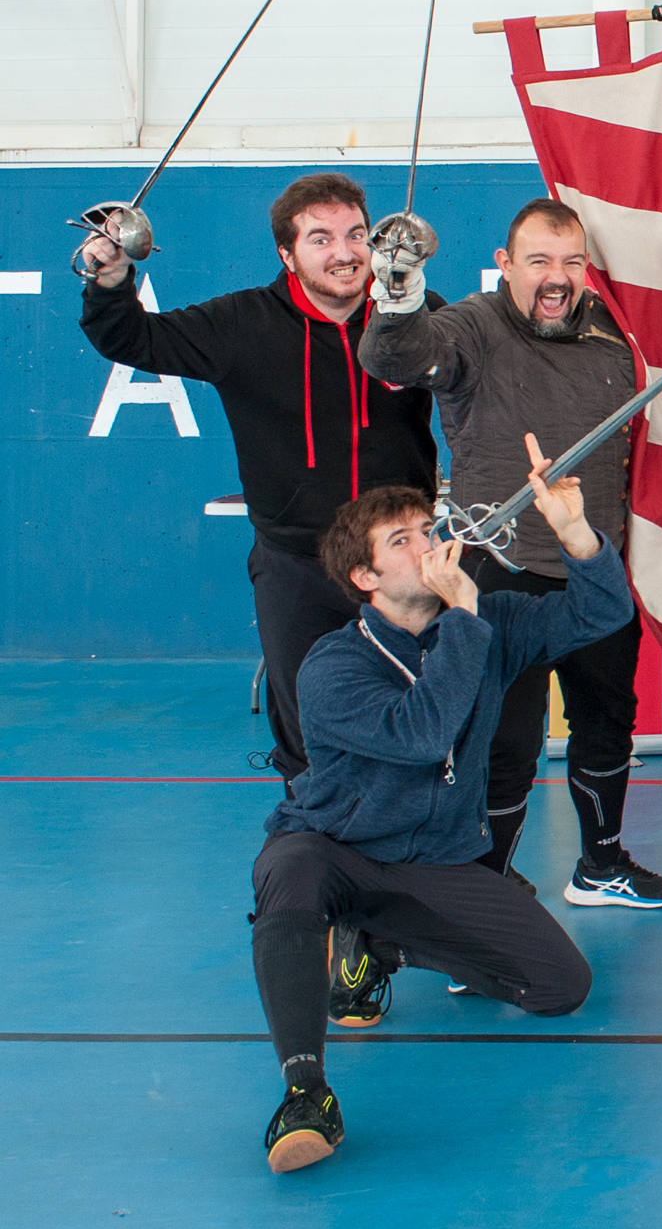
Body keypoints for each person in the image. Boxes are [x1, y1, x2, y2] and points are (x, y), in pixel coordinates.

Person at [251, 446, 631, 1172]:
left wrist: (575, 533)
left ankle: (377, 945)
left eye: (429, 529)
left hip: (435, 860)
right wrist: (464, 615)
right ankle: (306, 1092)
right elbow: (423, 734)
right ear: (365, 578)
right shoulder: (333, 665)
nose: (429, 545)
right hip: (337, 848)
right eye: (403, 540)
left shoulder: (485, 622)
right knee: (287, 872)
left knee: (562, 987)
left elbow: (603, 611)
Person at [359, 198, 662, 910]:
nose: (556, 277)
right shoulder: (473, 325)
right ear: (505, 264)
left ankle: (602, 866)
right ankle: (489, 889)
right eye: (539, 261)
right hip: (500, 578)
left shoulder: (613, 332)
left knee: (607, 725)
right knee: (504, 746)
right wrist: (398, 288)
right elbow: (394, 356)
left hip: (593, 573)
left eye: (571, 262)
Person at [76, 172, 441, 783]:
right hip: (296, 567)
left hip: (404, 564)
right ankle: (314, 831)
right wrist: (111, 280)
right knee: (307, 739)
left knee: (419, 725)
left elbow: (483, 371)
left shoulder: (414, 315)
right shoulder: (242, 323)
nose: (345, 253)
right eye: (320, 239)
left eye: (355, 234)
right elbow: (131, 337)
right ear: (287, 254)